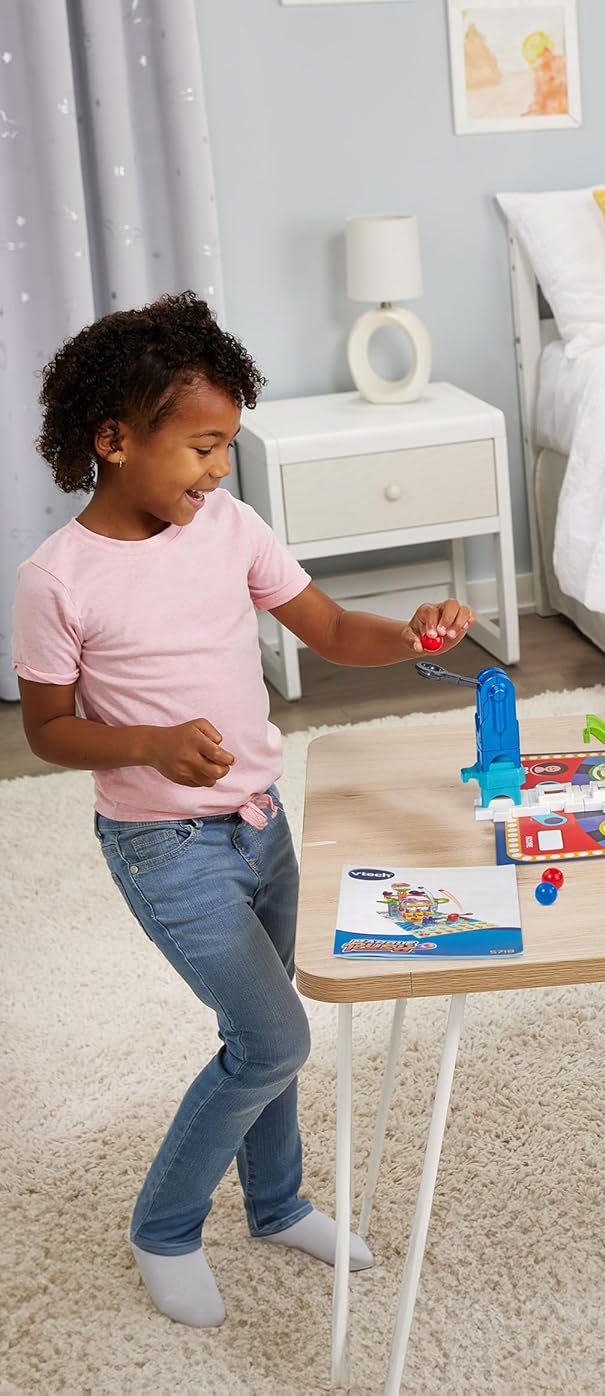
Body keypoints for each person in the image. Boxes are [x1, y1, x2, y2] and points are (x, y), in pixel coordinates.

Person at [12, 292, 479, 1327]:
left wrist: (412, 634)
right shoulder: (57, 580)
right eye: (201, 445)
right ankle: (164, 1227)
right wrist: (146, 744)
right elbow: (46, 728)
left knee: (274, 1027)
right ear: (116, 439)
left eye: (228, 444)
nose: (218, 468)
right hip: (161, 844)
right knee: (271, 1042)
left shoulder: (231, 527)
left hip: (262, 825)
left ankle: (276, 1204)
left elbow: (330, 629)